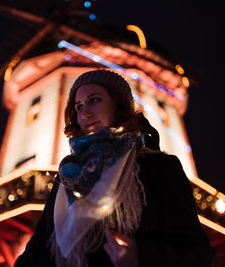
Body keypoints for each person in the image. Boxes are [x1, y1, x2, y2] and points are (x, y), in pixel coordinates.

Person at [15, 69, 212, 267]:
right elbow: (37, 249)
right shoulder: (68, 176)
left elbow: (197, 254)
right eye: (79, 106)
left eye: (94, 100)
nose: (86, 113)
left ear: (118, 104)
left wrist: (142, 257)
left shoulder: (159, 168)